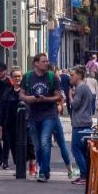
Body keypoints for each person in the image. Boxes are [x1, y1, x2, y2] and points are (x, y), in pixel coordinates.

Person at [20, 53, 63, 182]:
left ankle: (43, 173)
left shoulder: (52, 77)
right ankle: (44, 169)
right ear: (36, 63)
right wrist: (28, 98)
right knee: (37, 146)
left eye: (47, 61)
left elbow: (59, 96)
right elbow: (21, 94)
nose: (46, 63)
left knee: (45, 143)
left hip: (49, 114)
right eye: (43, 61)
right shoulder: (27, 77)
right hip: (33, 115)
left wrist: (46, 99)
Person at [68, 67, 95, 186]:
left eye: (72, 75)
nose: (70, 77)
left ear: (79, 75)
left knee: (76, 149)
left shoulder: (80, 88)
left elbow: (75, 105)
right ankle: (85, 175)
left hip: (80, 123)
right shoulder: (85, 88)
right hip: (85, 122)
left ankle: (84, 175)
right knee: (83, 151)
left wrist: (70, 96)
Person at [0, 69, 22, 171]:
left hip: (22, 123)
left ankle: (19, 163)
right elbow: (1, 109)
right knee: (8, 142)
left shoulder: (25, 91)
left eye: (19, 76)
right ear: (11, 78)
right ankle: (6, 162)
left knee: (20, 143)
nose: (17, 78)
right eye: (15, 76)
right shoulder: (7, 92)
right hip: (9, 122)